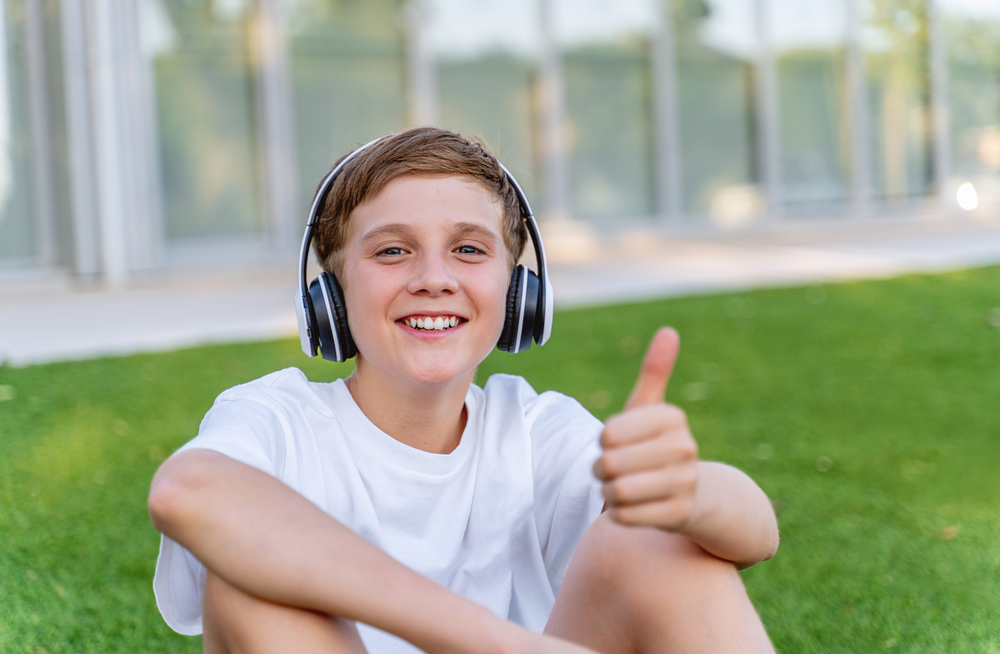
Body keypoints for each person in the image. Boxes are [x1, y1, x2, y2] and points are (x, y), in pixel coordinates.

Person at [148, 127, 779, 654]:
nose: (433, 278)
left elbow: (757, 535)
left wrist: (687, 490)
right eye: (392, 250)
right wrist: (499, 643)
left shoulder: (533, 432)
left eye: (469, 250)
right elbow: (187, 490)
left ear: (517, 290)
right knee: (249, 581)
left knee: (653, 539)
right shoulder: (278, 420)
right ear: (331, 296)